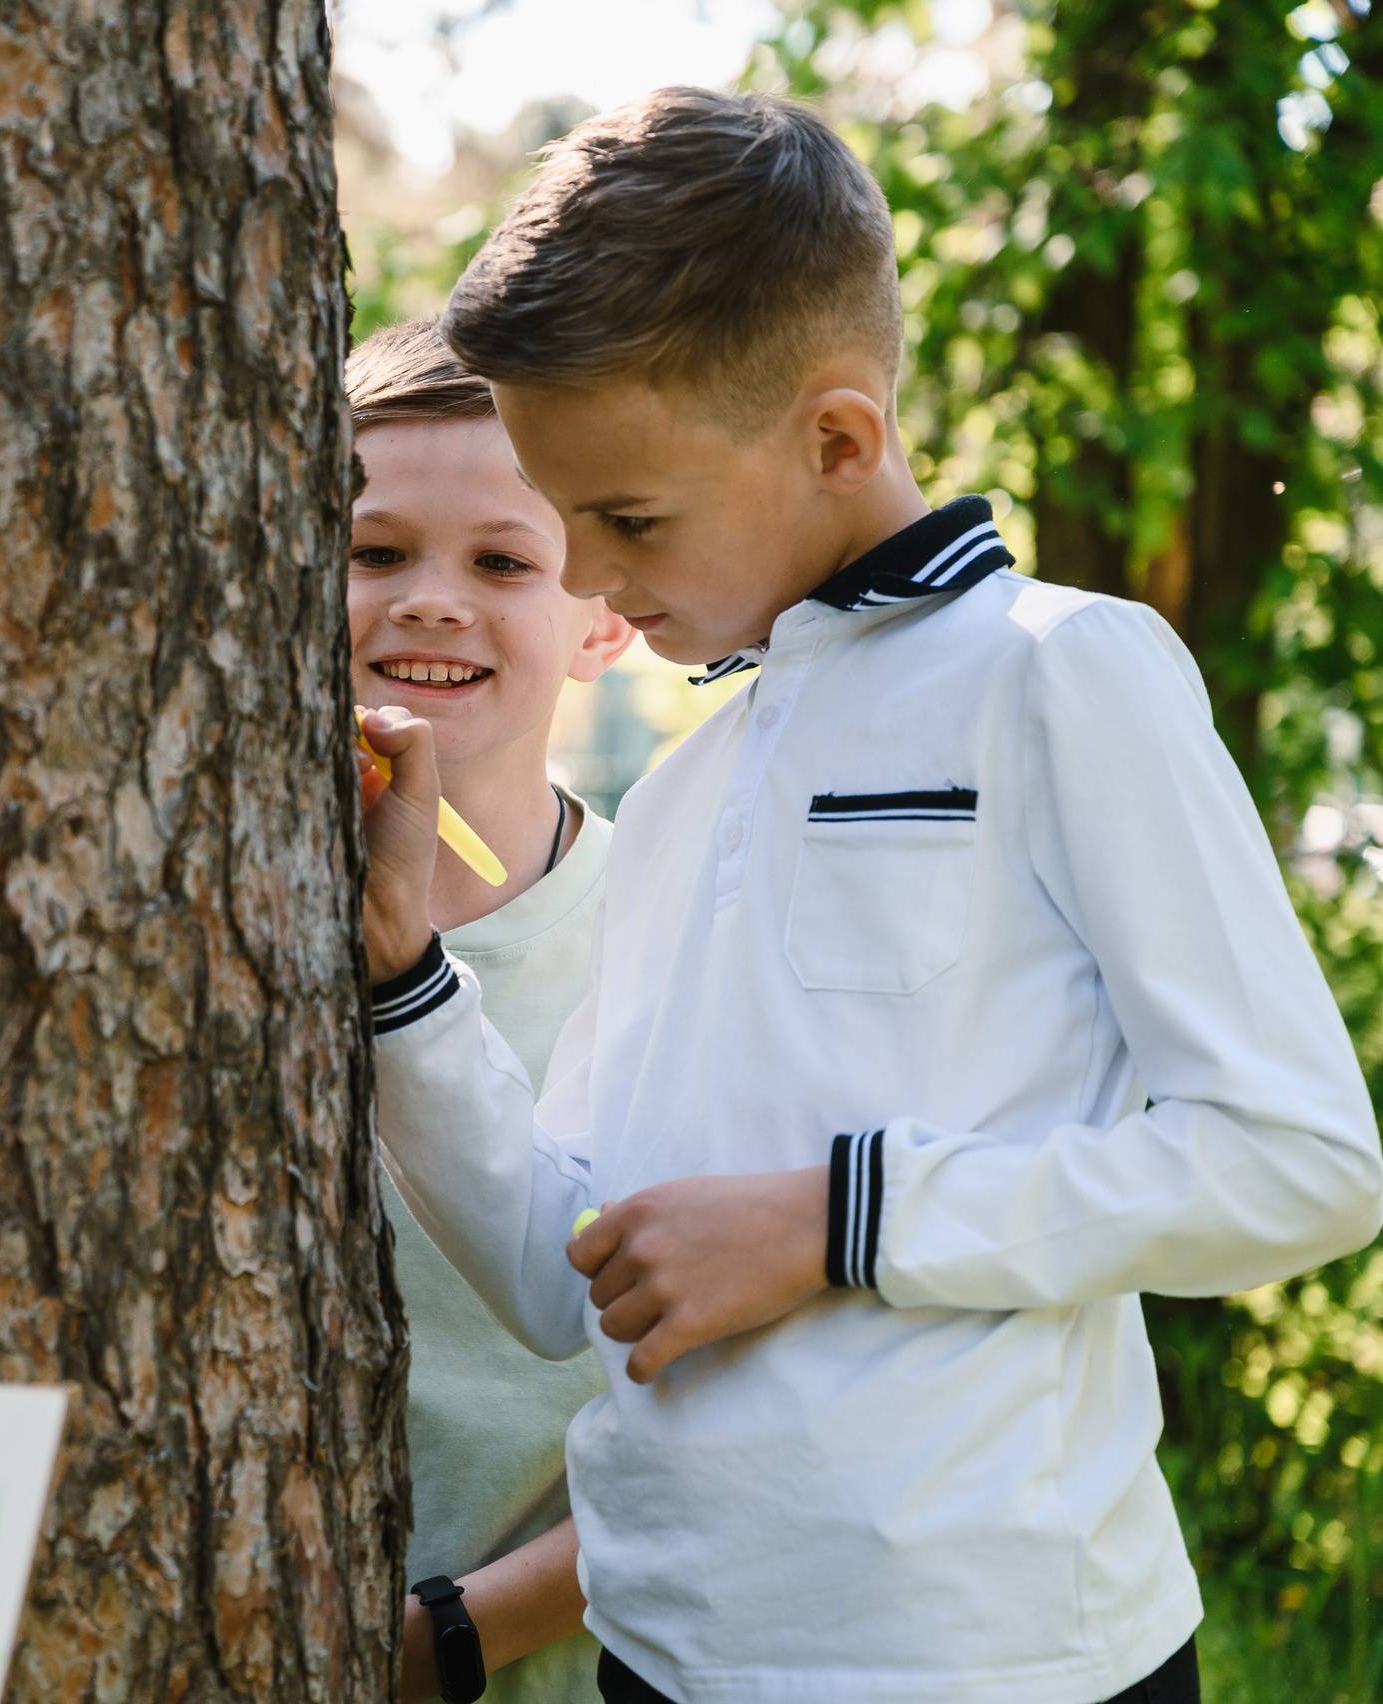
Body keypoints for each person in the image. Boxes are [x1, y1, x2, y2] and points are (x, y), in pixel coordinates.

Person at [355, 87, 1383, 1704]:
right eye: (567, 523)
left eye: (627, 518)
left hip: (1005, 1669)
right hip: (667, 1664)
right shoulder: (690, 786)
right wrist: (404, 979)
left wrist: (846, 1220)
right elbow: (575, 1278)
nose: (591, 577)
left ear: (838, 439)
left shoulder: (1065, 675)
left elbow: (1302, 1165)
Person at [344, 320, 635, 1704]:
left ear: (608, 614)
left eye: (504, 562)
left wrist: (445, 1642)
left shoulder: (667, 929)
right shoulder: (202, 915)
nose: (428, 601)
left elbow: (743, 1401)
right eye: (376, 551)